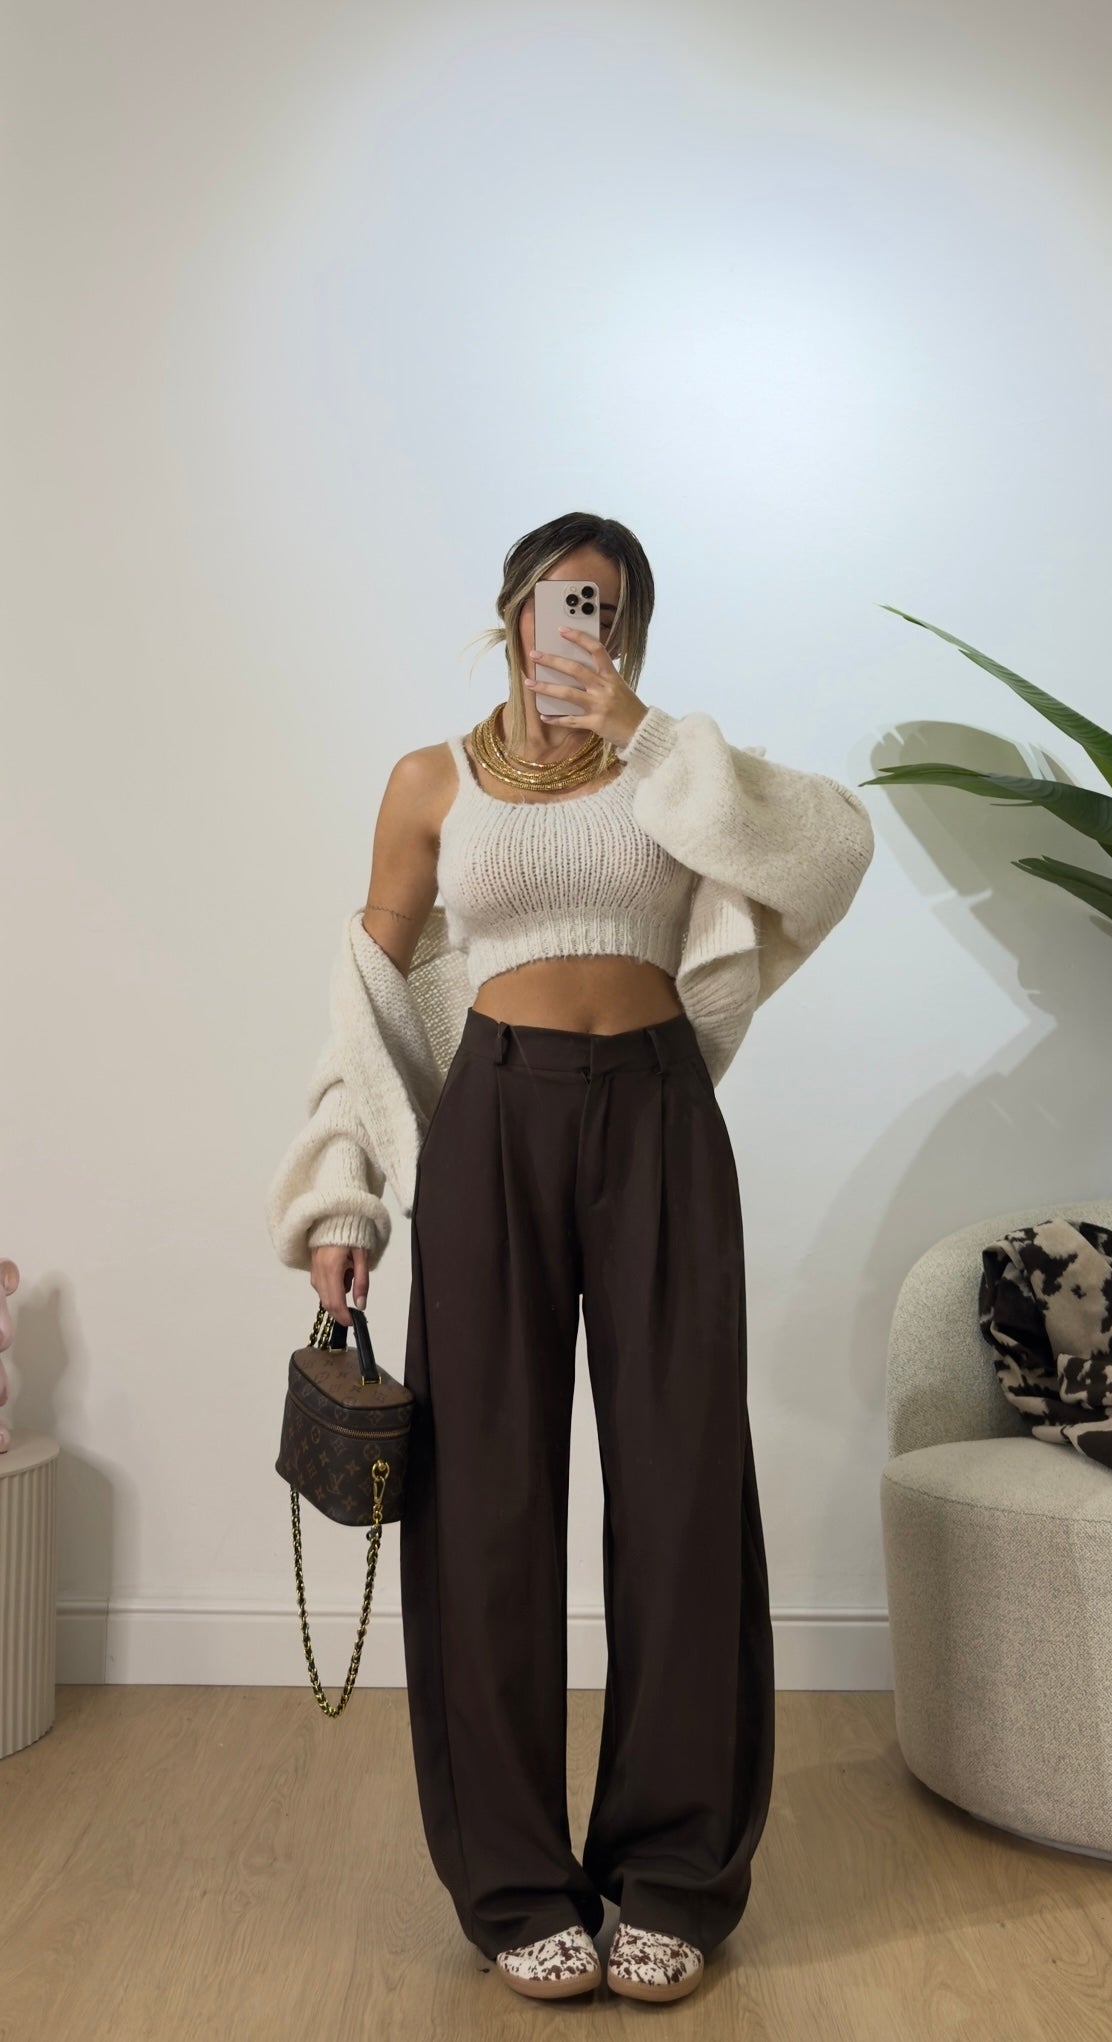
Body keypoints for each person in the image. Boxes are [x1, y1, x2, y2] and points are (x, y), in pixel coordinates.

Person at [266, 512, 875, 2005]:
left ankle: (673, 1873)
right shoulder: (431, 782)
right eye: (557, 599)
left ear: (630, 631)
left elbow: (835, 846)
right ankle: (514, 1882)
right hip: (493, 1123)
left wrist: (645, 736)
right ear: (511, 613)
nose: (577, 625)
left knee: (682, 1493)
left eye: (605, 606)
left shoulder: (676, 769)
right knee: (484, 1504)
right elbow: (370, 995)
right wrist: (340, 1201)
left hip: (658, 1117)